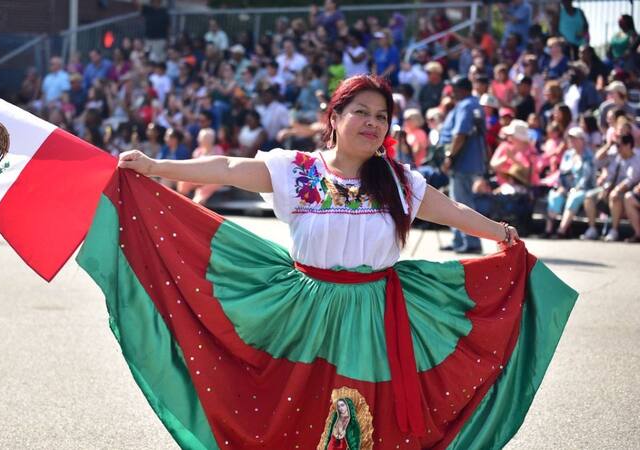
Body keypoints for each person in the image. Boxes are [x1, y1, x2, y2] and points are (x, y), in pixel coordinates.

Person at [111, 74, 575, 449]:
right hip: (305, 313)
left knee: (365, 418)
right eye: (361, 112)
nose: (372, 123)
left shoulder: (399, 181)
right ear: (334, 117)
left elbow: (451, 211)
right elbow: (228, 169)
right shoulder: (298, 170)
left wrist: (500, 233)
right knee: (300, 410)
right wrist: (155, 167)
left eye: (382, 116)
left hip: (377, 313)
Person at [438, 76, 487, 254]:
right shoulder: (474, 103)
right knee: (457, 203)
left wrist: (450, 156)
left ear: (463, 89)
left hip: (462, 161)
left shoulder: (466, 104)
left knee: (461, 204)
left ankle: (471, 242)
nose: (453, 92)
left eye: (455, 89)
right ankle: (459, 240)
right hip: (468, 160)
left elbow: (460, 134)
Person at [581, 133, 640, 241]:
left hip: (624, 191)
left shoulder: (636, 159)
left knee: (614, 196)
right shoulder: (614, 154)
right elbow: (596, 161)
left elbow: (630, 180)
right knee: (589, 196)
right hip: (607, 188)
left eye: (619, 145)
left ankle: (614, 230)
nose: (617, 147)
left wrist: (614, 190)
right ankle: (592, 229)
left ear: (628, 145)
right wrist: (608, 145)